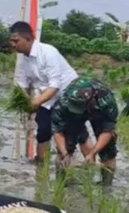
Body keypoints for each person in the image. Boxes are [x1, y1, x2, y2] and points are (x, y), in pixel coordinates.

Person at [10, 21, 93, 163]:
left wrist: (35, 103)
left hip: (69, 93)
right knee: (43, 128)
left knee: (76, 131)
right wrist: (24, 103)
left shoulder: (48, 52)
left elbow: (55, 85)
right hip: (47, 96)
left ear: (28, 39)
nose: (13, 44)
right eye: (11, 41)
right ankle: (41, 162)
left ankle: (90, 164)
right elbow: (21, 85)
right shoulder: (22, 59)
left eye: (16, 41)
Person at [52, 77, 118, 186]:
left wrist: (92, 153)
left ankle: (106, 188)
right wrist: (65, 153)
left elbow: (108, 130)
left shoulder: (105, 99)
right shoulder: (63, 102)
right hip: (71, 115)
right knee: (64, 151)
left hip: (98, 111)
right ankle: (60, 186)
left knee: (108, 152)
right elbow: (58, 130)